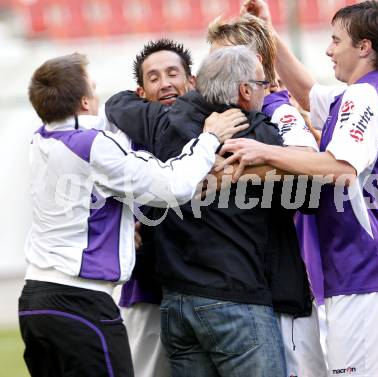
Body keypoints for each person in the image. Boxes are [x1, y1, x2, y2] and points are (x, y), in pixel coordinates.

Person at [18, 52, 247, 377]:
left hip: (33, 302)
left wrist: (128, 224)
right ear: (85, 102)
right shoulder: (93, 144)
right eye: (93, 90)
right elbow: (173, 185)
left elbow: (95, 197)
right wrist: (209, 137)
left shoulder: (40, 139)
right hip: (81, 303)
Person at [221, 1, 378, 376]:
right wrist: (268, 34)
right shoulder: (363, 93)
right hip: (373, 273)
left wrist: (267, 152)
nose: (328, 49)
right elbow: (308, 94)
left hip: (361, 273)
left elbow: (339, 169)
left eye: (335, 39)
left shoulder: (363, 97)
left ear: (364, 47)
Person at [106, 45, 317, 377]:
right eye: (263, 85)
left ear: (196, 82)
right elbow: (310, 197)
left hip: (176, 305)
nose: (267, 91)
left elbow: (116, 102)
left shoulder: (160, 122)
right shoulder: (256, 134)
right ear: (245, 90)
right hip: (236, 298)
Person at [208, 15, 327, 377]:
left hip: (284, 293)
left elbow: (311, 180)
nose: (216, 70)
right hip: (250, 288)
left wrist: (238, 173)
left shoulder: (279, 111)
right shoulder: (230, 115)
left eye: (224, 59)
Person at [117, 38, 197, 377]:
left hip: (209, 292)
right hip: (148, 291)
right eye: (153, 77)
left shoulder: (214, 127)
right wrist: (124, 224)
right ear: (140, 92)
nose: (165, 83)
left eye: (172, 73)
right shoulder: (123, 143)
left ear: (191, 81)